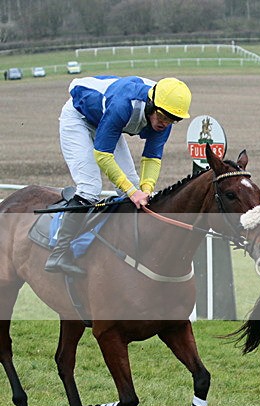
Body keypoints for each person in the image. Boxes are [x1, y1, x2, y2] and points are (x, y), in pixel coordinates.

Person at [45, 75, 192, 276]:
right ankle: (59, 254)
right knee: (90, 188)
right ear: (151, 104)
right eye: (162, 116)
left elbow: (152, 158)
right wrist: (133, 192)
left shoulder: (164, 115)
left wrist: (145, 190)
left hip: (105, 121)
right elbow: (102, 156)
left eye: (172, 120)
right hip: (79, 117)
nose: (165, 123)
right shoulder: (123, 104)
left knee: (132, 187)